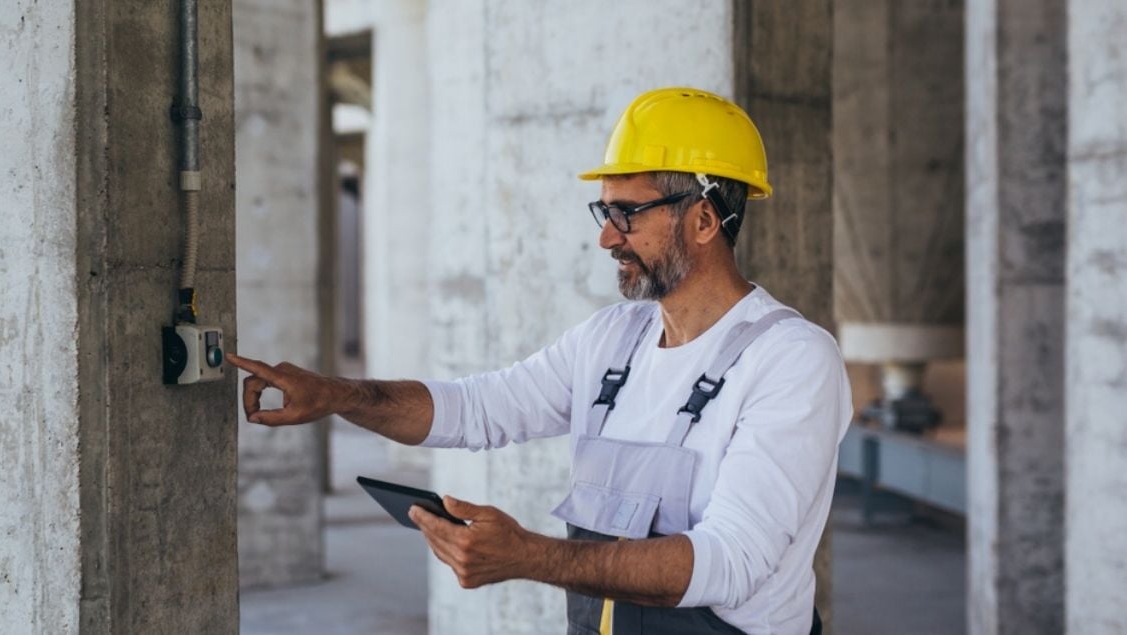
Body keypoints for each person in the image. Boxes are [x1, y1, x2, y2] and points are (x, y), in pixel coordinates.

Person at [228, 87, 851, 635]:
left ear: (705, 219)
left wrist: (530, 556)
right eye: (603, 213)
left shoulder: (791, 360)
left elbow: (731, 562)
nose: (607, 237)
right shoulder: (613, 340)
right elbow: (476, 409)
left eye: (625, 214)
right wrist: (338, 396)